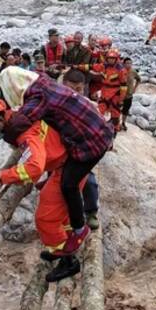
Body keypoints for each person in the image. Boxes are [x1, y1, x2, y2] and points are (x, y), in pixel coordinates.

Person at [0, 67, 114, 254]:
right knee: (65, 185)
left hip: (91, 142)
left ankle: (79, 229)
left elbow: (21, 122)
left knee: (69, 185)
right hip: (88, 135)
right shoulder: (43, 83)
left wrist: (7, 134)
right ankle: (71, 232)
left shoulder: (38, 98)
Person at [0, 98, 82, 282]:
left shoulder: (25, 134)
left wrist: (4, 175)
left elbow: (35, 167)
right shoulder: (22, 120)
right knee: (58, 209)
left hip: (68, 166)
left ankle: (68, 260)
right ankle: (64, 244)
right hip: (69, 162)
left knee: (45, 218)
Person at [63, 69, 100, 230]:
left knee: (89, 181)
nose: (74, 92)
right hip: (62, 149)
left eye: (78, 89)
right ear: (64, 86)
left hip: (82, 150)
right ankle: (66, 215)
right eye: (70, 88)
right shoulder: (57, 103)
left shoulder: (89, 105)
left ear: (83, 88)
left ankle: (91, 212)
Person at [76, 48, 127, 134]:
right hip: (104, 91)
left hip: (115, 93)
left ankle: (114, 131)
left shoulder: (121, 70)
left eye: (113, 58)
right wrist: (78, 66)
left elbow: (124, 86)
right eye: (109, 58)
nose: (111, 60)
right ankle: (98, 128)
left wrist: (121, 99)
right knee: (100, 111)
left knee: (115, 113)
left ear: (116, 59)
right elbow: (91, 66)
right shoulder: (104, 66)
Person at [121, 57, 141, 131]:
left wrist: (135, 88)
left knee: (125, 110)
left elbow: (139, 79)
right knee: (117, 109)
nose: (128, 65)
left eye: (130, 63)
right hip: (120, 94)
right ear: (123, 64)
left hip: (129, 94)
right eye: (127, 63)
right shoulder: (121, 71)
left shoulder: (133, 72)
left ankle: (123, 123)